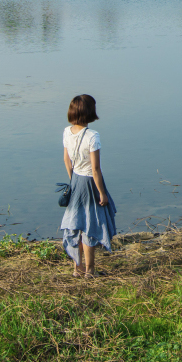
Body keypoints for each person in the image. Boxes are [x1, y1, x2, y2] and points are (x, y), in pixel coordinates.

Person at [60, 93, 116, 277]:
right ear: (90, 112)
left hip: (75, 179)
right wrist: (102, 193)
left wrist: (72, 180)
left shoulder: (67, 132)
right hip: (90, 183)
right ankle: (90, 270)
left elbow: (66, 160)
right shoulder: (93, 135)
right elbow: (96, 168)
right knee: (90, 225)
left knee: (76, 224)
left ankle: (77, 268)